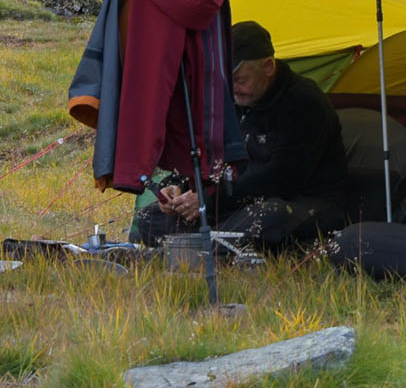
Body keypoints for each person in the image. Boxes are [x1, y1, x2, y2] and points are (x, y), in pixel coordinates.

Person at [133, 20, 348, 250]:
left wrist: (210, 201)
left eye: (241, 80)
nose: (234, 88)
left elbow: (282, 179)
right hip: (235, 203)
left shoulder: (304, 103)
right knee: (148, 217)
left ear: (268, 66)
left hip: (300, 202)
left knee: (269, 215)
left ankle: (200, 245)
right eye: (228, 80)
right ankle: (217, 244)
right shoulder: (233, 101)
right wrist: (176, 187)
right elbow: (206, 152)